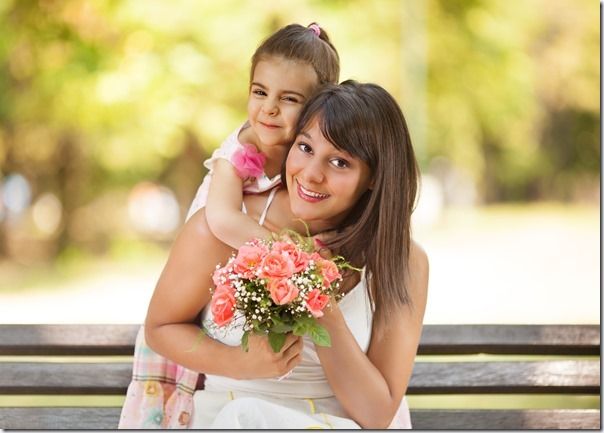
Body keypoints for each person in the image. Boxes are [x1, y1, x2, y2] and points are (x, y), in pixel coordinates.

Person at [143, 81, 429, 429]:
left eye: (340, 162)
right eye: (305, 147)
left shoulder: (401, 261)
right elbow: (161, 327)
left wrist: (321, 304)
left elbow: (376, 413)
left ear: (374, 177)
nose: (311, 174)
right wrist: (241, 362)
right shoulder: (223, 228)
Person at [118, 22, 339, 429]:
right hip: (197, 289)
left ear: (319, 107)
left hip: (238, 299)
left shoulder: (313, 168)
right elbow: (221, 219)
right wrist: (294, 258)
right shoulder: (241, 146)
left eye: (288, 99)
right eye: (259, 92)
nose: (268, 109)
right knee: (178, 396)